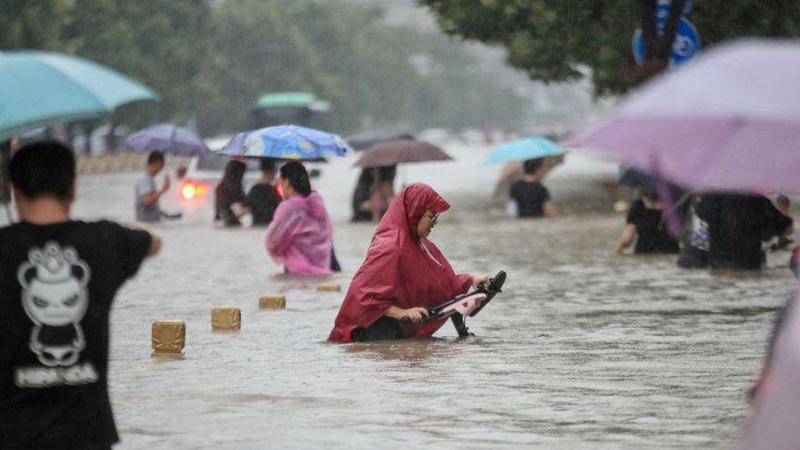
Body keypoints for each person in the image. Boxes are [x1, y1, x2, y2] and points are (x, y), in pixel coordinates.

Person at [0, 141, 160, 449]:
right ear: (73, 188)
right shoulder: (105, 241)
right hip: (88, 437)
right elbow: (154, 242)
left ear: (15, 191)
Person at [329, 183, 488, 342]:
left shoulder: (419, 244)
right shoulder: (389, 246)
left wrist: (470, 280)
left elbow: (435, 282)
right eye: (431, 216)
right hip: (372, 331)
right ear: (415, 213)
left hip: (396, 330)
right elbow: (363, 296)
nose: (434, 223)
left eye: (436, 217)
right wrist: (402, 313)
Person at [265, 161, 333, 275]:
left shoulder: (288, 207)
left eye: (280, 182)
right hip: (323, 270)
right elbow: (327, 233)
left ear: (286, 182)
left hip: (296, 271)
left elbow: (273, 241)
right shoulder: (318, 203)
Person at [696, 193, 793, 270]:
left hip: (718, 263)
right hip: (748, 264)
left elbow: (699, 213)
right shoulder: (758, 201)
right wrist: (784, 208)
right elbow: (784, 227)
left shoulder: (713, 198)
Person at [615, 189, 680, 254]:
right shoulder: (675, 204)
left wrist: (617, 250)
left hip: (643, 253)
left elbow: (627, 238)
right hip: (671, 252)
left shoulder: (638, 206)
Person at [134, 150, 170, 222]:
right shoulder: (144, 179)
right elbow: (147, 201)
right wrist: (163, 190)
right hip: (147, 224)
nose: (163, 167)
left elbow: (151, 202)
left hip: (152, 222)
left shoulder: (150, 179)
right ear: (158, 163)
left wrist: (161, 213)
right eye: (162, 164)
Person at [246, 159, 281, 226]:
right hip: (270, 225)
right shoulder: (273, 190)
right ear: (272, 172)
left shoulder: (254, 189)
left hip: (257, 225)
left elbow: (248, 205)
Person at [214, 159, 247, 227]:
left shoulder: (221, 187)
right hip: (230, 222)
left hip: (221, 221)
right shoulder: (234, 188)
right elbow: (238, 212)